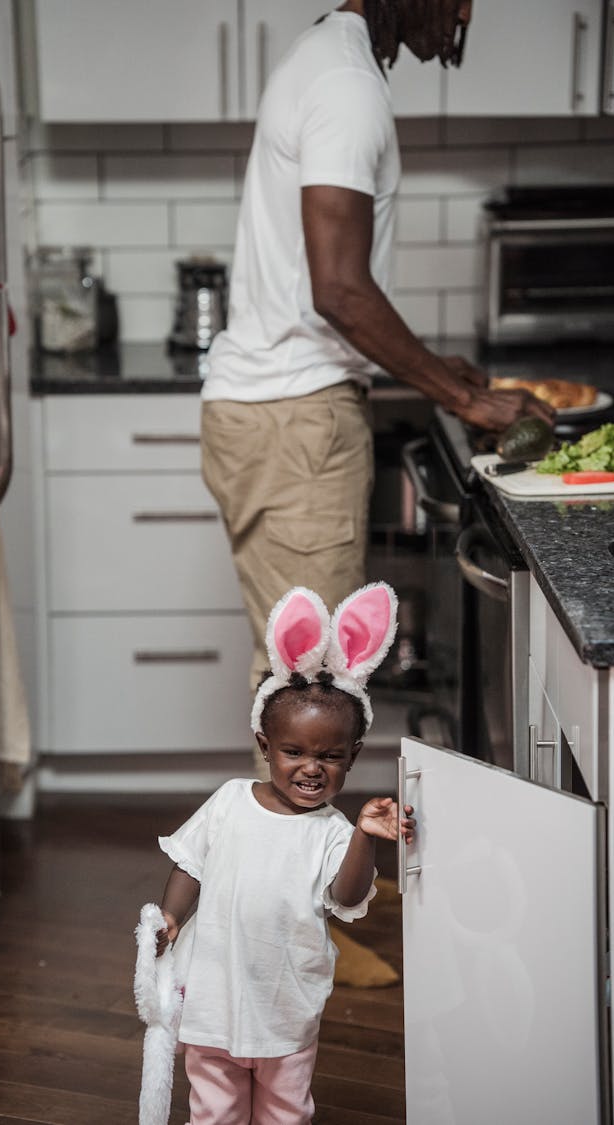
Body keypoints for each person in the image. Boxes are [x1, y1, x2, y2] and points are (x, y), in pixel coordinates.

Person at [200, 0, 556, 775]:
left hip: (274, 412)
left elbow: (325, 287)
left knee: (292, 689)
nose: (464, 12)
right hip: (296, 420)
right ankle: (289, 896)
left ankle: (289, 887)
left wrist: (432, 366)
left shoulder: (326, 58)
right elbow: (341, 291)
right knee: (310, 696)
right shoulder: (346, 83)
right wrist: (464, 398)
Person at [154, 584, 415, 1125]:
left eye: (330, 756)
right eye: (294, 752)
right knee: (213, 1112)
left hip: (285, 1006)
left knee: (285, 1112)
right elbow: (190, 864)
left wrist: (366, 835)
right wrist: (173, 917)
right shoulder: (229, 801)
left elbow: (345, 898)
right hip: (212, 1000)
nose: (311, 768)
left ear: (353, 756)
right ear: (264, 745)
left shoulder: (334, 832)